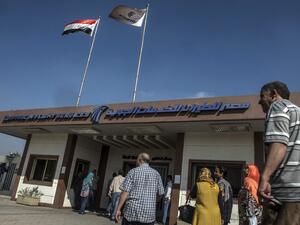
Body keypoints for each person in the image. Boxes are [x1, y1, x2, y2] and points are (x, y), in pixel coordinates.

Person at [258, 81, 300, 225]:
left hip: (285, 193)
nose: (259, 101)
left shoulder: (278, 106)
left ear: (274, 94)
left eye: (262, 96)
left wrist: (265, 177)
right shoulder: (297, 112)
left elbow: (279, 144)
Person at [115, 153, 164, 225]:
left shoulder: (133, 171)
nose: (136, 161)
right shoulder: (156, 174)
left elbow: (125, 192)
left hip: (131, 212)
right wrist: (153, 201)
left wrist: (118, 209)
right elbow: (161, 193)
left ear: (140, 160)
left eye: (136, 159)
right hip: (149, 215)